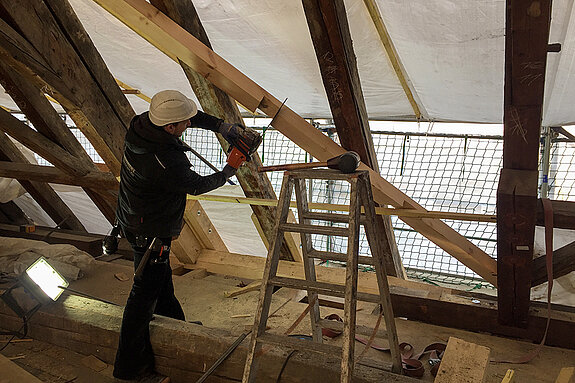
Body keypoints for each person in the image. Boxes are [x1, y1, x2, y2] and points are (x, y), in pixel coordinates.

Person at [113, 90, 243, 381]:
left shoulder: (142, 125)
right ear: (170, 128)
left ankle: (176, 330)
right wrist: (228, 170)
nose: (188, 124)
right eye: (183, 123)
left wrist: (223, 127)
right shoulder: (164, 160)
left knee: (160, 284)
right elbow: (195, 185)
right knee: (142, 299)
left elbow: (189, 116)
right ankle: (130, 369)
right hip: (149, 232)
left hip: (134, 219)